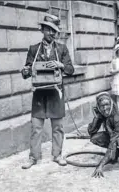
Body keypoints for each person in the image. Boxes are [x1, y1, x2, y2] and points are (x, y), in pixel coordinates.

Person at [21, 14, 74, 169]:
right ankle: (33, 157)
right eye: (49, 29)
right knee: (36, 126)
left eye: (54, 30)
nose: (52, 33)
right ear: (42, 29)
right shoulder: (34, 49)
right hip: (39, 94)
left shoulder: (62, 49)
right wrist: (25, 70)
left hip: (56, 93)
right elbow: (27, 72)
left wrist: (60, 64)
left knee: (58, 126)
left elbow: (70, 70)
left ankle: (57, 155)